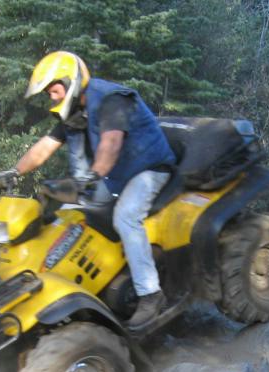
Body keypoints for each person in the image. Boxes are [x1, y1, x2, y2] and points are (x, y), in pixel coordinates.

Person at [12, 51, 176, 330]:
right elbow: (44, 147)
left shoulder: (111, 101)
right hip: (115, 177)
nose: (52, 98)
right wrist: (12, 173)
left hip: (150, 169)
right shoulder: (75, 112)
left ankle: (150, 294)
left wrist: (92, 177)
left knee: (126, 217)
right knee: (69, 215)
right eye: (49, 93)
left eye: (54, 90)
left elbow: (110, 144)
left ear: (70, 81)